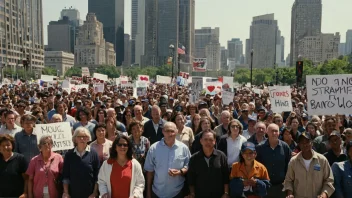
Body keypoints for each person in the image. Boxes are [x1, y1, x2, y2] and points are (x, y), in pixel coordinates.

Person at [144, 122, 191, 198]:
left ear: (176, 131)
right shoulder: (154, 148)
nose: (170, 134)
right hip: (157, 193)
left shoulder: (183, 148)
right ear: (163, 131)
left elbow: (188, 166)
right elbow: (149, 172)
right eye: (167, 131)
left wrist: (180, 172)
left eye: (172, 131)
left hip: (178, 192)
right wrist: (148, 193)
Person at [283, 132, 335, 198]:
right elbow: (288, 181)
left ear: (312, 143)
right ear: (299, 145)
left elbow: (329, 180)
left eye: (307, 142)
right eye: (302, 142)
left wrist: (324, 194)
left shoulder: (322, 160)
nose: (305, 145)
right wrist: (290, 194)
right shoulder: (293, 161)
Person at [187, 129, 230, 198]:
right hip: (200, 195)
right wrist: (192, 193)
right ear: (201, 141)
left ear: (215, 141)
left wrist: (226, 193)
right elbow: (191, 179)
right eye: (205, 139)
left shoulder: (221, 156)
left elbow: (226, 177)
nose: (208, 142)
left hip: (218, 195)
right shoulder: (194, 158)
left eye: (211, 139)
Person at [62, 127, 100, 198]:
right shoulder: (69, 154)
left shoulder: (94, 153)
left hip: (90, 195)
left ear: (88, 138)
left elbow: (97, 176)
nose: (82, 139)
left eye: (85, 136)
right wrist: (66, 193)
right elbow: (65, 177)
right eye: (79, 136)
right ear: (75, 139)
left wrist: (94, 193)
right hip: (73, 195)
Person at [256, 124, 291, 198]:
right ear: (267, 132)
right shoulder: (260, 147)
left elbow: (289, 166)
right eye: (272, 131)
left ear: (279, 133)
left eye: (276, 131)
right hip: (265, 187)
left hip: (281, 187)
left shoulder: (285, 147)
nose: (274, 133)